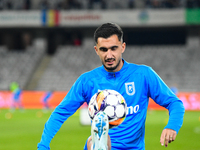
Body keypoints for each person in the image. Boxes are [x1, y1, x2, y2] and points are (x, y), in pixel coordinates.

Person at [37, 23, 185, 150]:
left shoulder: (143, 75)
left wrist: (172, 126)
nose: (109, 55)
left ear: (123, 47)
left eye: (113, 48)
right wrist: (43, 145)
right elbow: (60, 112)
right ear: (96, 50)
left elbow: (175, 103)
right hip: (103, 145)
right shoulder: (87, 81)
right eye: (104, 49)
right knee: (94, 142)